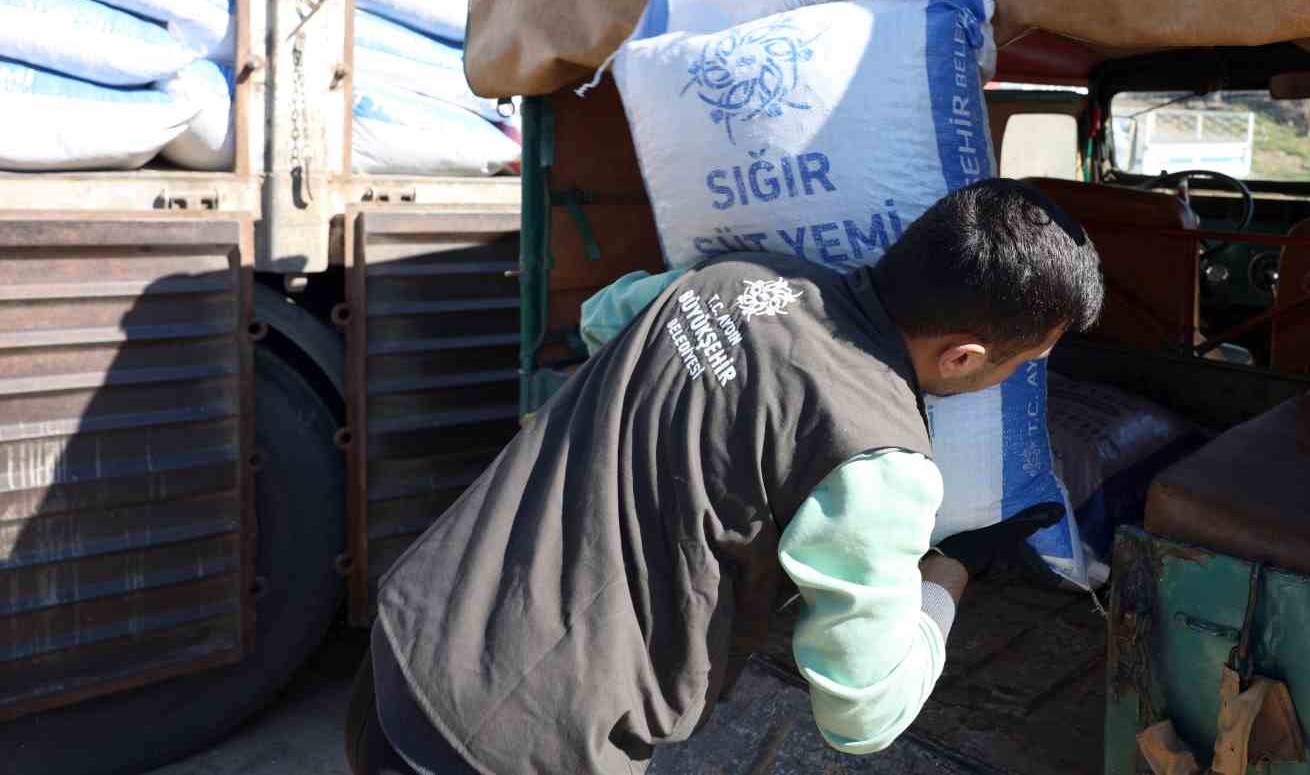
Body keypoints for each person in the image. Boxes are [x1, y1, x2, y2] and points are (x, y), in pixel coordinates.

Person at [346, 178, 1104, 775]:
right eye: (1021, 366)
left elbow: (605, 318)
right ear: (964, 357)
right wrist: (947, 580)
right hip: (515, 749)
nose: (1017, 380)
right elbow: (863, 717)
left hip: (409, 639)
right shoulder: (879, 459)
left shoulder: (736, 278)